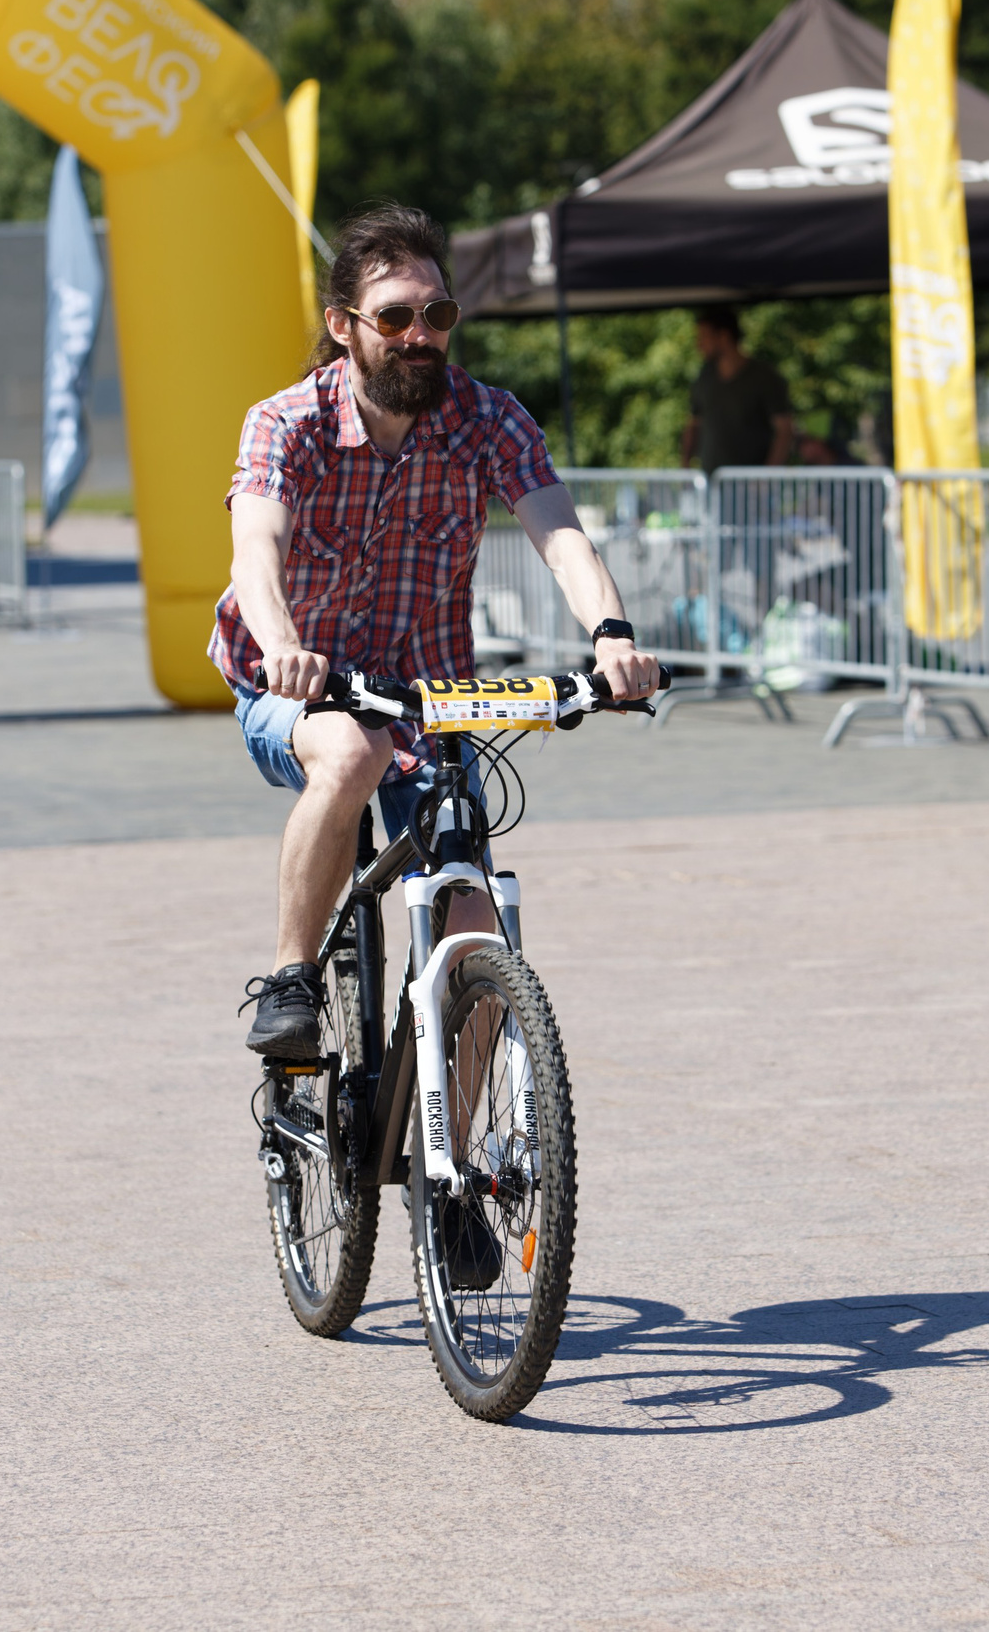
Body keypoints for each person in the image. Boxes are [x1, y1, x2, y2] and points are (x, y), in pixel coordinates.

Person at [216, 206, 662, 1059]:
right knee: (351, 754)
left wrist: (611, 637)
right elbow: (255, 551)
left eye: (438, 314)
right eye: (395, 317)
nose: (420, 335)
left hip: (427, 697)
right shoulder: (287, 423)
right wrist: (281, 644)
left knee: (479, 928)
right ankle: (290, 977)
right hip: (296, 685)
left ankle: (460, 1175)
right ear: (342, 326)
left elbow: (560, 533)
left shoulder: (486, 420)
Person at [679, 306, 796, 474]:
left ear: (724, 336)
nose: (699, 344)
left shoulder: (764, 377)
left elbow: (784, 430)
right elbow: (694, 423)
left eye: (704, 337)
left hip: (752, 486)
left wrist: (767, 477)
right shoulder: (704, 377)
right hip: (711, 483)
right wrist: (685, 466)